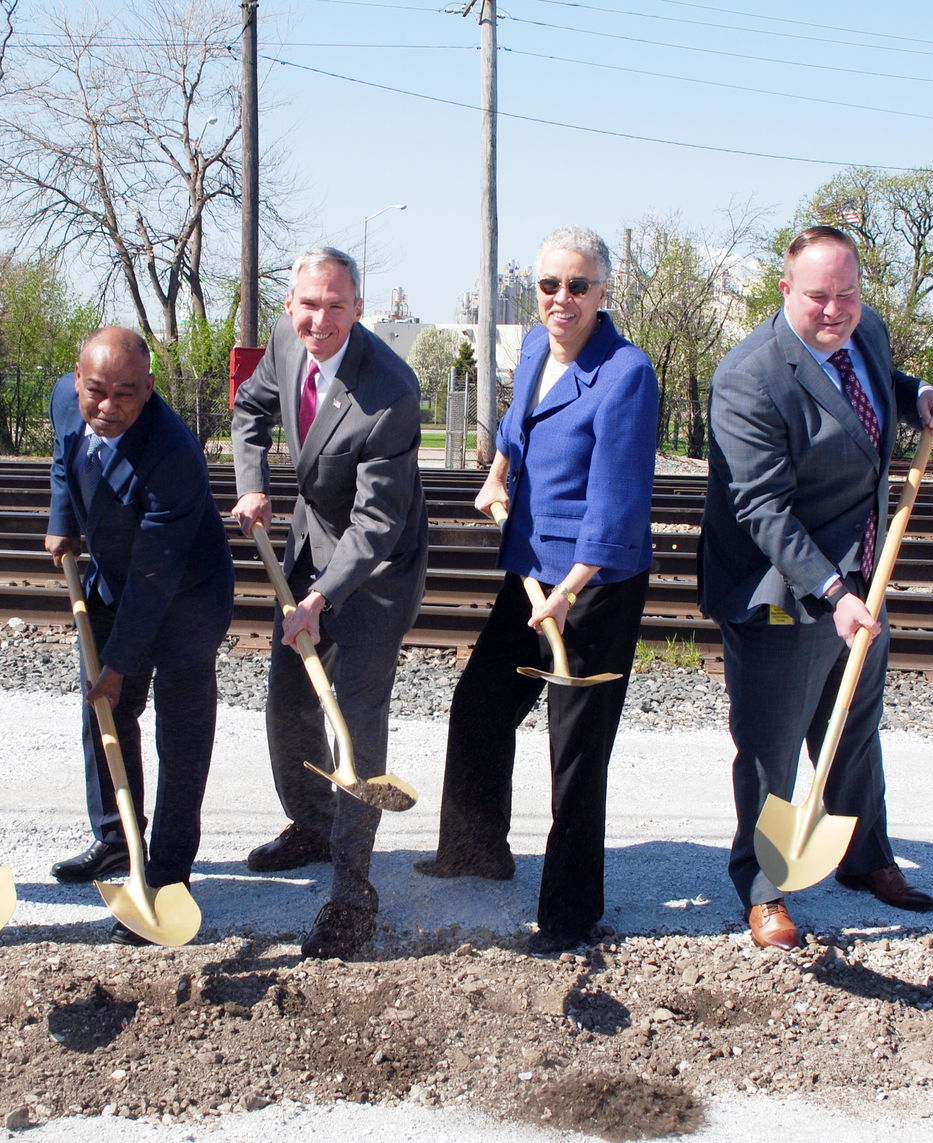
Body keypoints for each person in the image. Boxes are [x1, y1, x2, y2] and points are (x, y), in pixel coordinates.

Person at [699, 225, 933, 951]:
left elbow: (878, 390)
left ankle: (864, 857)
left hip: (863, 579)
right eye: (819, 296)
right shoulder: (750, 375)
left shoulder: (866, 331)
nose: (835, 309)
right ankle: (763, 887)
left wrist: (921, 396)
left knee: (854, 733)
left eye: (847, 293)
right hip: (780, 585)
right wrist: (833, 591)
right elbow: (760, 508)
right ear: (786, 290)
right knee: (771, 747)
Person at [415, 226, 659, 954]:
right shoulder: (530, 348)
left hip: (596, 587)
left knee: (575, 748)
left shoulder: (625, 374)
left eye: (578, 286)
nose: (562, 298)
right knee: (483, 704)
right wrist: (498, 467)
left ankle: (570, 913)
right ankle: (475, 849)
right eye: (550, 285)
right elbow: (520, 429)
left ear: (603, 293)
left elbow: (617, 504)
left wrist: (572, 589)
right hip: (530, 571)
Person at [230, 246, 428, 960]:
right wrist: (252, 479)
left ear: (358, 306)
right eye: (309, 304)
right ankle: (312, 824)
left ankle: (352, 893)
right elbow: (250, 410)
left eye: (336, 305)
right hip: (310, 541)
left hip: (376, 572)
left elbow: (377, 524)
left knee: (353, 719)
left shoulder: (390, 391)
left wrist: (318, 598)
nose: (320, 319)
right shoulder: (284, 341)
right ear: (290, 304)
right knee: (289, 703)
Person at [43, 328, 234, 945]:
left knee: (180, 738)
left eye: (126, 394)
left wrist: (121, 661)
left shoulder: (174, 452)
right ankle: (114, 840)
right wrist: (63, 522)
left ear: (148, 390)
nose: (108, 406)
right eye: (96, 391)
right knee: (103, 715)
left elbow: (155, 575)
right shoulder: (64, 401)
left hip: (184, 598)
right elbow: (61, 458)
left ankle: (168, 874)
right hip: (109, 581)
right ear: (77, 379)